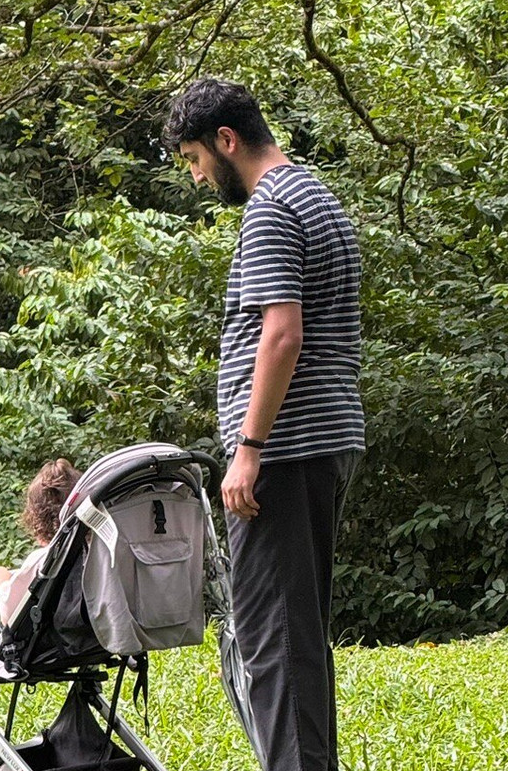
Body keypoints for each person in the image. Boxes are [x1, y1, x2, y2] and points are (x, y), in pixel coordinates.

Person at [162, 78, 365, 771]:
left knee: (270, 640)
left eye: (194, 159)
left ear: (226, 140)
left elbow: (282, 335)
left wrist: (248, 449)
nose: (195, 177)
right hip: (322, 441)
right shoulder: (317, 196)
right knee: (295, 637)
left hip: (284, 452)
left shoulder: (272, 210)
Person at [0, 458, 83, 657]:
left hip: (44, 647)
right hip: (93, 640)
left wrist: (2, 577)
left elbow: (10, 615)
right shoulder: (101, 556)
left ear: (37, 521)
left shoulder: (44, 560)